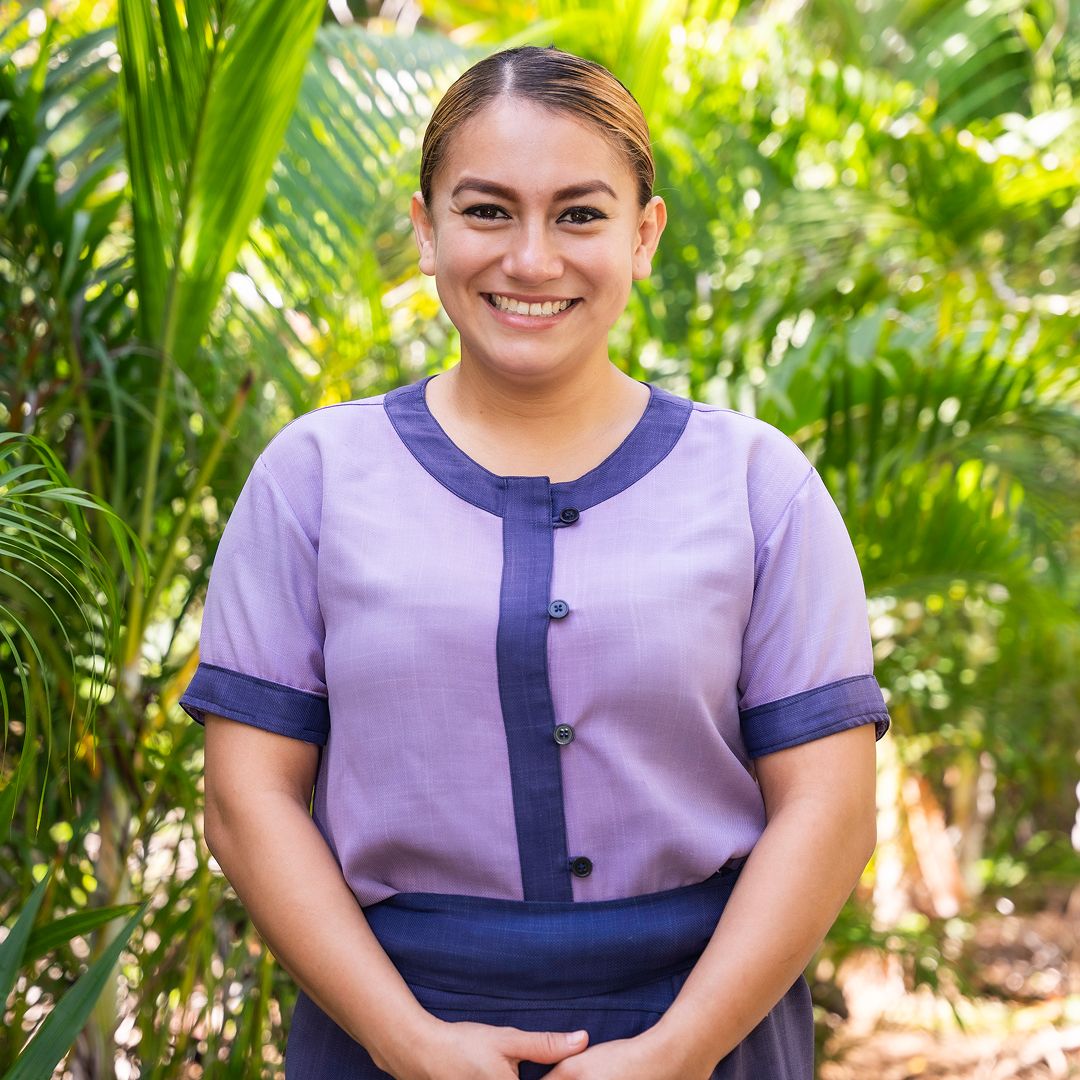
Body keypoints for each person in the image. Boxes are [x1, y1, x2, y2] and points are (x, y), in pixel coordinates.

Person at [183, 45, 887, 1080]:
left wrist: (678, 1052)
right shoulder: (314, 479)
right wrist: (404, 1040)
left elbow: (830, 807)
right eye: (486, 211)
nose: (530, 259)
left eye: (579, 214)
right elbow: (247, 800)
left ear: (644, 234)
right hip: (389, 1025)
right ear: (424, 228)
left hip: (711, 1028)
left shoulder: (757, 485)